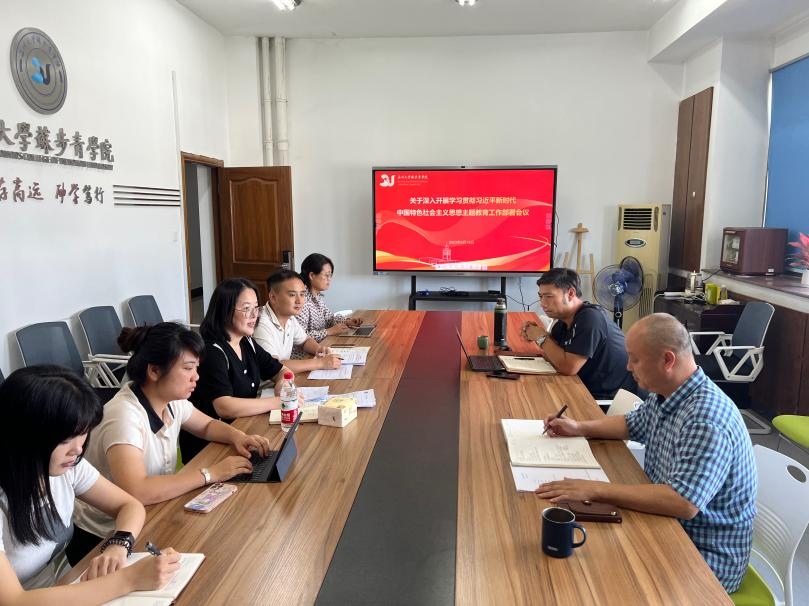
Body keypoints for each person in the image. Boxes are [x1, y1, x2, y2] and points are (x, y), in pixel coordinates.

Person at [535, 313, 756, 593]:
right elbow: (632, 424)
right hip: (666, 525)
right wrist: (578, 427)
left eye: (635, 359)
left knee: (589, 576)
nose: (628, 367)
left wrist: (596, 489)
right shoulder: (670, 392)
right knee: (582, 557)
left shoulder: (706, 418)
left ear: (667, 360)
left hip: (704, 556)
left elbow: (683, 503)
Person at [73, 322, 272, 552]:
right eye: (188, 368)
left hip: (153, 510)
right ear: (154, 371)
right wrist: (211, 474)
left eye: (196, 368)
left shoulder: (170, 400)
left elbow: (206, 426)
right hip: (107, 537)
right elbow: (138, 490)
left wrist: (237, 436)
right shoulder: (124, 417)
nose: (196, 377)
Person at [0, 365, 180, 604]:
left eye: (83, 433)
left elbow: (129, 505)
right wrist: (130, 579)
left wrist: (119, 544)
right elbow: (14, 601)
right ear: (23, 435)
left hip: (63, 587)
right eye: (66, 438)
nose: (77, 449)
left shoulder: (66, 466)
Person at [180, 277, 296, 462]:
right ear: (225, 310)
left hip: (243, 430)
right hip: (211, 447)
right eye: (246, 308)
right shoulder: (212, 351)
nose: (254, 315)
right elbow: (225, 407)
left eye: (256, 308)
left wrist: (282, 384)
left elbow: (280, 370)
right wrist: (278, 402)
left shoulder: (246, 341)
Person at [520, 267, 638, 399]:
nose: (542, 304)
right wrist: (537, 335)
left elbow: (568, 368)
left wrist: (541, 336)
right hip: (581, 388)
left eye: (549, 296)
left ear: (570, 293)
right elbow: (554, 358)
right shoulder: (561, 324)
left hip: (606, 401)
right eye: (541, 296)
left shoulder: (590, 318)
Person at [253, 270, 343, 374]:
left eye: (302, 294)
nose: (299, 301)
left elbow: (305, 341)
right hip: (268, 382)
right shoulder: (260, 323)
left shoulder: (289, 316)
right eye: (292, 295)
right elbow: (274, 365)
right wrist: (320, 363)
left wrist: (319, 350)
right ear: (273, 297)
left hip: (284, 378)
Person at [292, 253, 362, 359]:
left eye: (330, 275)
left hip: (320, 349)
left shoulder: (316, 295)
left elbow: (329, 319)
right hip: (304, 356)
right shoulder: (302, 300)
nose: (329, 279)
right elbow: (301, 337)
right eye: (326, 275)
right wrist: (329, 331)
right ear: (312, 275)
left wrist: (347, 322)